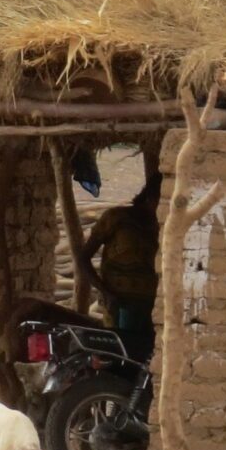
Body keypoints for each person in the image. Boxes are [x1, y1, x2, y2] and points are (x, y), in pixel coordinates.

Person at [74, 150, 162, 351]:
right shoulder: (116, 219)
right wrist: (106, 292)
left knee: (145, 354)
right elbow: (83, 258)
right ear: (149, 197)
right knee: (119, 352)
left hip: (151, 305)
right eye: (160, 200)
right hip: (120, 304)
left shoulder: (164, 227)